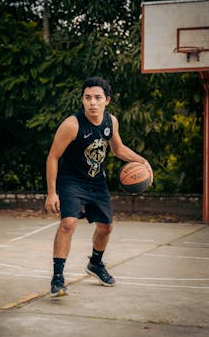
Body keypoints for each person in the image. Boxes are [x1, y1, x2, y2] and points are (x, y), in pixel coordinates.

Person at [45, 76, 153, 297]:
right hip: (71, 181)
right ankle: (57, 278)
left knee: (106, 227)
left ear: (107, 100)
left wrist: (142, 161)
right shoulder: (72, 125)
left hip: (96, 182)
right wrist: (52, 192)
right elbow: (53, 157)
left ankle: (95, 263)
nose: (92, 102)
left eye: (97, 97)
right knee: (68, 223)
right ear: (82, 100)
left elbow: (118, 149)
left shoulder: (110, 121)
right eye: (88, 98)